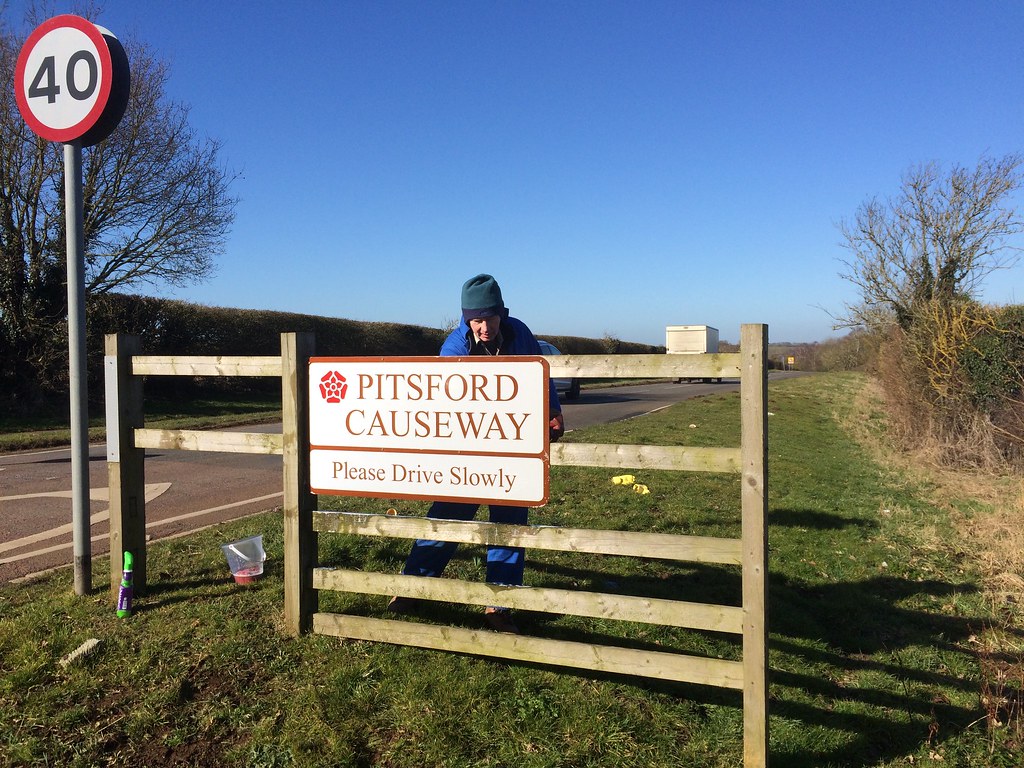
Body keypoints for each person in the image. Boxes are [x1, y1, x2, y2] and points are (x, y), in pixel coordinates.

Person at [389, 274, 565, 634]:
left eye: (490, 318)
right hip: (467, 452)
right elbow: (447, 398)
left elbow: (541, 376)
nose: (484, 327)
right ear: (466, 318)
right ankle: (412, 588)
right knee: (448, 517)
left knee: (509, 525)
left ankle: (499, 605)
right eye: (476, 320)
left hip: (514, 449)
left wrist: (552, 409)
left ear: (502, 312)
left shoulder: (521, 333)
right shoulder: (454, 346)